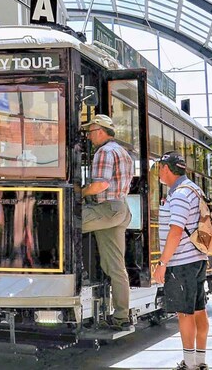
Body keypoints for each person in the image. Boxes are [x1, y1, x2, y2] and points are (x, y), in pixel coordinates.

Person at [153, 152, 209, 370]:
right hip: (198, 258)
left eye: (160, 168)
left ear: (166, 169)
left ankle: (189, 364)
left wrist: (163, 263)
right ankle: (200, 361)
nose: (158, 172)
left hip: (182, 261)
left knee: (184, 313)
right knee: (198, 309)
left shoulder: (179, 195)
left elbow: (176, 230)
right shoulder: (195, 189)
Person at [82, 114, 133, 331]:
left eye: (91, 131)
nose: (88, 135)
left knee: (62, 222)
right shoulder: (123, 152)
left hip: (106, 209)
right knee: (116, 267)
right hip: (120, 209)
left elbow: (100, 185)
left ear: (101, 131)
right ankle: (121, 316)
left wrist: (79, 193)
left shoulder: (104, 151)